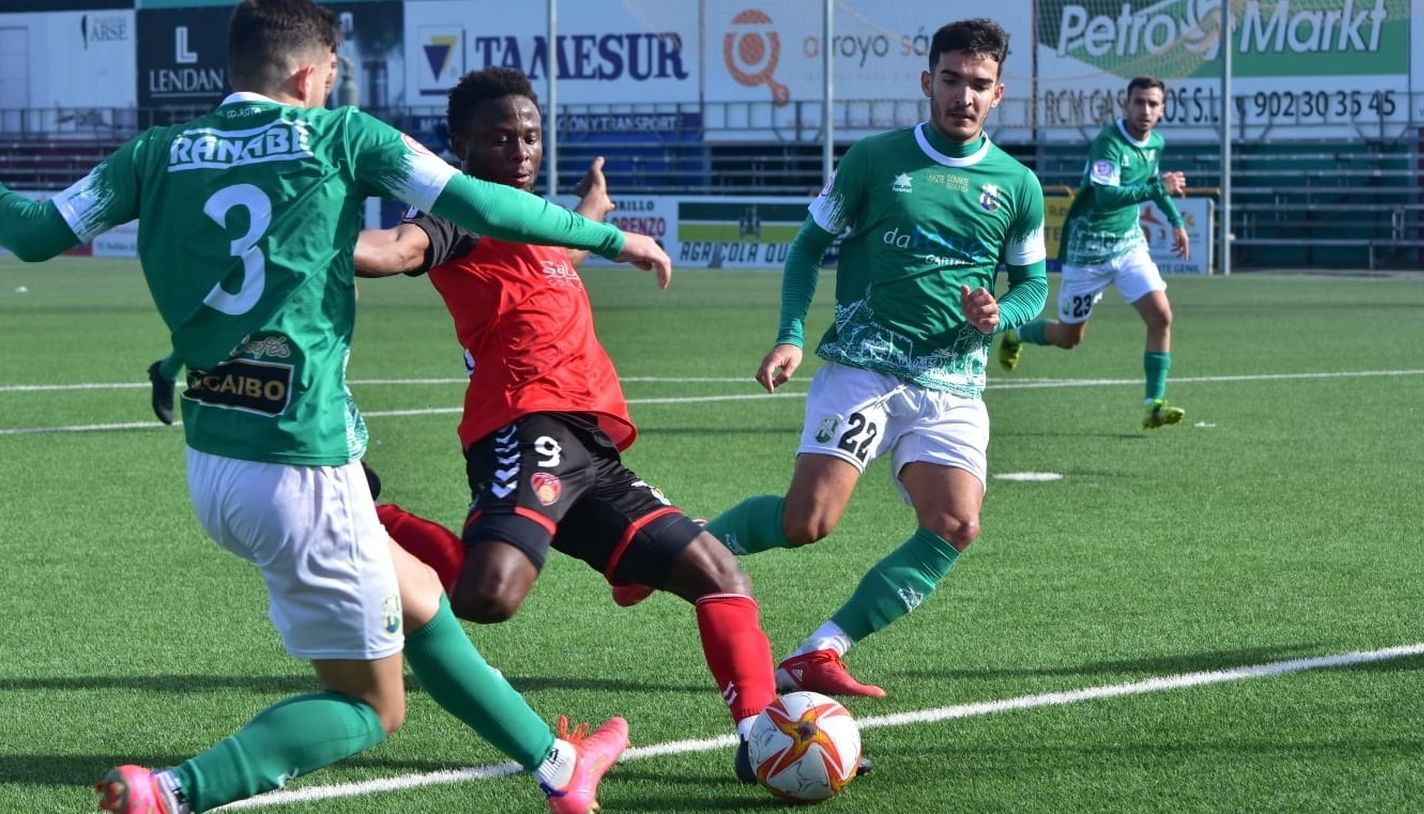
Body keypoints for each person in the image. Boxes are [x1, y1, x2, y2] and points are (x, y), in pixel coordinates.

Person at [0, 2, 673, 812]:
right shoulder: (341, 135)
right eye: (332, 75)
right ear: (308, 73)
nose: (332, 87)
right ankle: (170, 793)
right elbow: (486, 207)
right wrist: (611, 237)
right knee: (370, 709)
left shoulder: (158, 150)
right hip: (299, 467)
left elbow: (36, 230)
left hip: (217, 459)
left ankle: (561, 771)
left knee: (421, 597)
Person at [349, 66, 784, 783]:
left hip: (594, 446)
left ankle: (761, 735)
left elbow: (560, 253)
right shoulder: (460, 214)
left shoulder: (535, 224)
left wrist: (593, 207)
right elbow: (398, 250)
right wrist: (310, 246)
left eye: (530, 136)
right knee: (489, 598)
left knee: (717, 571)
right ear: (459, 144)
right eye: (499, 137)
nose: (520, 150)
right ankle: (369, 514)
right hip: (525, 424)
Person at [699, 18, 1048, 698]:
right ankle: (672, 552)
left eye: (979, 85)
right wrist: (792, 334)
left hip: (952, 383)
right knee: (808, 523)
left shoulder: (1018, 185)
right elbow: (806, 248)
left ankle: (821, 650)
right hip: (866, 367)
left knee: (955, 525)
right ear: (928, 82)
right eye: (951, 80)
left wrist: (1000, 314)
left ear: (999, 93)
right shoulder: (874, 159)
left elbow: (1034, 286)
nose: (964, 97)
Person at [996, 76, 1190, 430]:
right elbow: (1105, 197)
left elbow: (1155, 185)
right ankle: (1017, 334)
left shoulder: (1154, 143)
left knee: (1161, 316)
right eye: (1139, 102)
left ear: (1162, 109)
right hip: (1087, 251)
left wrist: (1175, 220)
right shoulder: (1109, 144)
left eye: (1152, 103)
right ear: (1125, 104)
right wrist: (1155, 187)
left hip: (1129, 244)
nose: (1145, 110)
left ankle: (1154, 404)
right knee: (1070, 338)